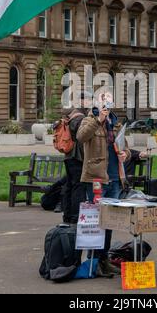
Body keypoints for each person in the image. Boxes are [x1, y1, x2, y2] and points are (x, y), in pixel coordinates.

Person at [77, 102, 130, 276]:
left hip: (114, 178)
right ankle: (93, 261)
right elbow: (81, 137)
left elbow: (125, 147)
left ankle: (104, 259)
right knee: (95, 221)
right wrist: (98, 120)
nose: (106, 108)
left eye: (108, 104)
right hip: (96, 178)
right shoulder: (89, 120)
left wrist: (125, 154)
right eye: (103, 104)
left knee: (109, 222)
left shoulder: (116, 124)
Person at [61, 92, 92, 224]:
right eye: (89, 100)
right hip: (77, 156)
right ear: (82, 101)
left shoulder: (72, 114)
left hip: (69, 156)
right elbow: (82, 137)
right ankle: (75, 216)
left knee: (69, 185)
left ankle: (67, 215)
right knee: (78, 186)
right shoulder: (80, 118)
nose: (91, 102)